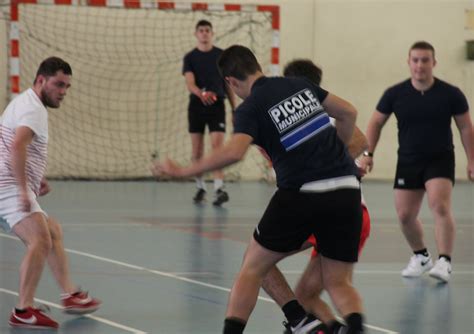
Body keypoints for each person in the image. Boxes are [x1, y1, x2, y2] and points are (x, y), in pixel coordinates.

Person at [153, 45, 365, 334]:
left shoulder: (251, 107)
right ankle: (351, 328)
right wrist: (336, 155)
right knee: (339, 283)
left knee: (252, 267)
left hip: (301, 193)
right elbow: (349, 112)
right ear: (256, 65)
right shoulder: (300, 85)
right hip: (347, 191)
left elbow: (233, 153)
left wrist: (183, 171)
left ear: (230, 81)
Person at [260, 59, 371, 334]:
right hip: (343, 212)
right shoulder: (285, 119)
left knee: (257, 264)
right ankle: (332, 328)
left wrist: (326, 163)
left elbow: (360, 140)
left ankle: (302, 323)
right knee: (310, 295)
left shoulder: (321, 114)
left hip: (328, 210)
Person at [360, 41, 474, 283]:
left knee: (439, 206)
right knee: (404, 215)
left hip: (440, 159)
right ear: (409, 62)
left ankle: (444, 261)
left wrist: (471, 160)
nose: (420, 65)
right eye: (415, 60)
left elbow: (465, 127)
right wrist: (369, 154)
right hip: (409, 160)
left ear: (434, 63)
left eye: (425, 60)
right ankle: (422, 257)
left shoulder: (450, 93)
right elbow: (375, 123)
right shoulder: (395, 93)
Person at [0, 57, 101, 329]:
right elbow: (17, 146)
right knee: (40, 240)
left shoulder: (25, 102)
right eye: (58, 84)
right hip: (7, 187)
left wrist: (36, 178)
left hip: (7, 184)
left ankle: (69, 294)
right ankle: (23, 309)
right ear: (41, 80)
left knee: (51, 230)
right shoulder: (33, 108)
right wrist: (22, 189)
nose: (63, 92)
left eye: (67, 86)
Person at [182, 19, 237, 206]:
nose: (204, 33)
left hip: (217, 106)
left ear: (212, 33)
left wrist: (234, 108)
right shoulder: (190, 57)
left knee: (217, 148)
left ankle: (219, 188)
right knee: (197, 150)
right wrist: (201, 93)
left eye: (207, 30)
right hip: (197, 107)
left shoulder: (221, 56)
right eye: (201, 30)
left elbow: (228, 84)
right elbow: (190, 83)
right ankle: (200, 187)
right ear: (196, 34)